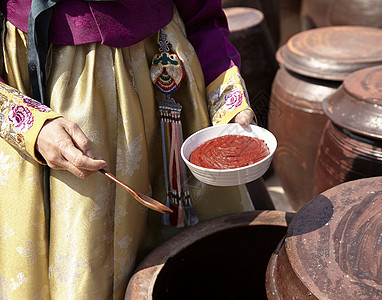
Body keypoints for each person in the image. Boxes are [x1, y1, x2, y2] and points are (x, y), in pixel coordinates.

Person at [0, 0, 256, 298]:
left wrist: (224, 89)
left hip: (167, 88)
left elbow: (201, 11)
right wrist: (30, 126)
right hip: (54, 98)